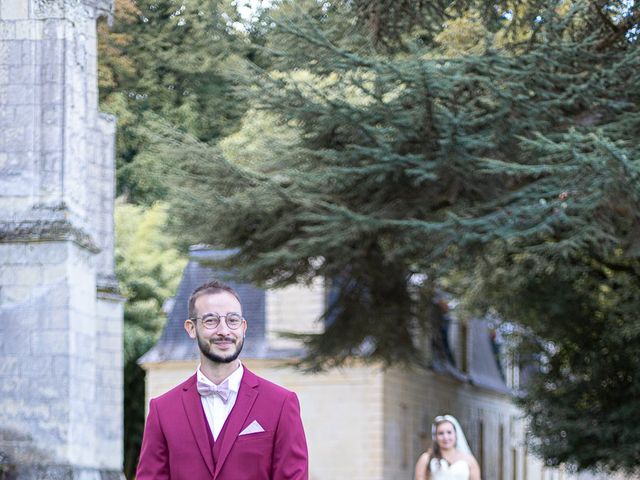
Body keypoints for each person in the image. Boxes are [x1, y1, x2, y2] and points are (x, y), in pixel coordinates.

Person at [136, 280, 309, 480]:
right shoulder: (162, 410)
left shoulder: (281, 403)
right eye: (211, 320)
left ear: (243, 327)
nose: (224, 331)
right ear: (191, 328)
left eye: (232, 320)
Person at [414, 415, 481, 480]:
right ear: (435, 436)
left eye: (449, 432)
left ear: (456, 434)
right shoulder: (426, 458)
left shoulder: (469, 459)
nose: (445, 437)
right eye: (441, 433)